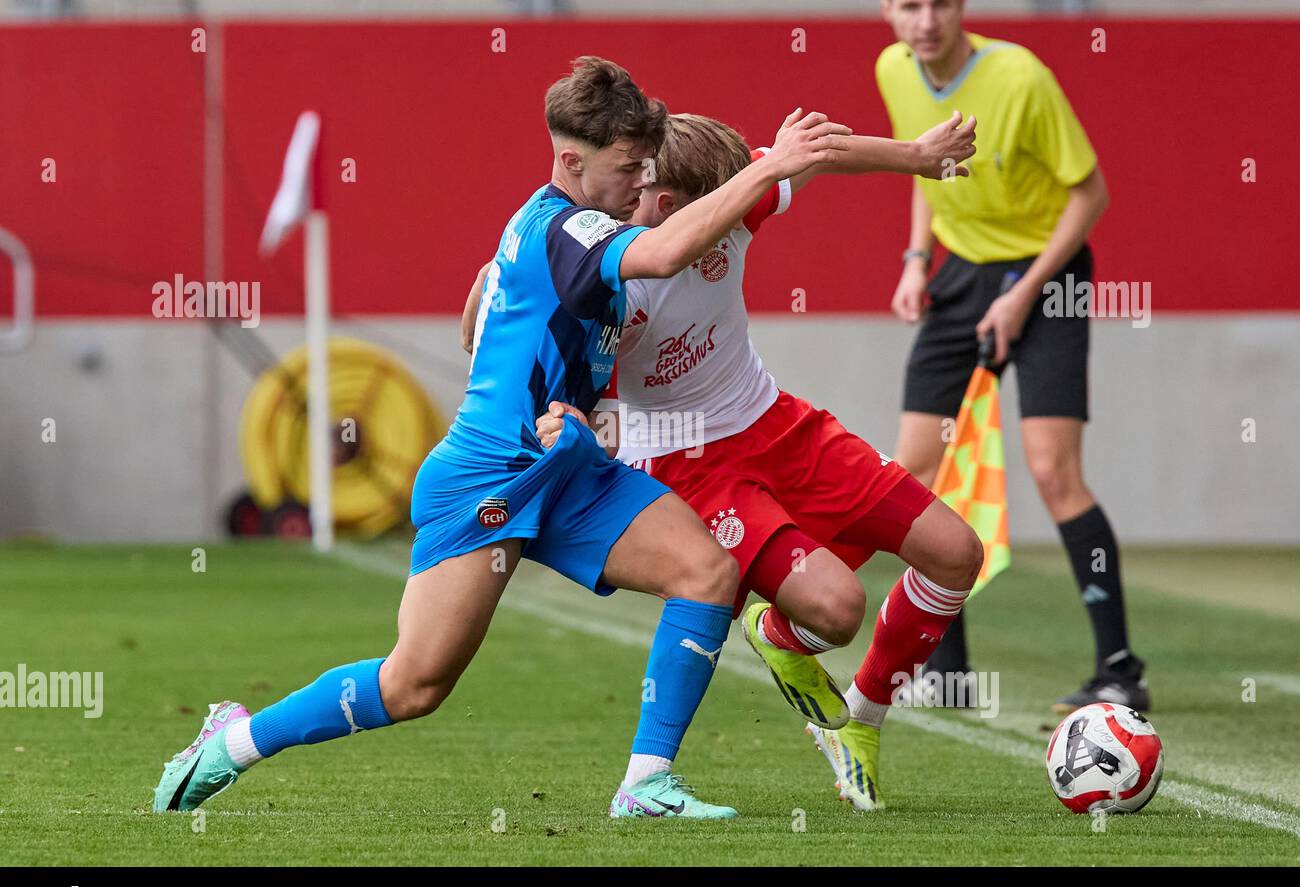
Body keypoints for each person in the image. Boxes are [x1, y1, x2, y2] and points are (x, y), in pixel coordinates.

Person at [152, 57, 850, 820]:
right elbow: (660, 254)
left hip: (570, 466)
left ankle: (645, 783)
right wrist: (771, 166)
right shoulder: (572, 227)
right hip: (489, 473)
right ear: (570, 161)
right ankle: (234, 741)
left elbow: (476, 322)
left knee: (708, 573)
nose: (641, 181)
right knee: (414, 685)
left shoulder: (569, 224)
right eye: (628, 167)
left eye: (647, 165)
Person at [523, 110, 982, 811]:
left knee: (956, 553)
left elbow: (820, 155)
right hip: (693, 467)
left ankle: (859, 725)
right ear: (674, 206)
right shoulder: (606, 276)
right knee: (838, 609)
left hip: (777, 423)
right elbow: (511, 325)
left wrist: (916, 154)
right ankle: (767, 641)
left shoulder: (734, 191)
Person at [877, 0, 1149, 711]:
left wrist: (1024, 293)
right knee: (916, 468)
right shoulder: (893, 70)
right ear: (888, 11)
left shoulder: (1022, 77)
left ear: (961, 7)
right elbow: (925, 166)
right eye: (909, 4)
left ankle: (1119, 669)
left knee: (1052, 470)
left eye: (940, 3)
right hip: (960, 275)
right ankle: (947, 670)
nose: (925, 19)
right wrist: (915, 259)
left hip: (1047, 278)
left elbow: (1091, 194)